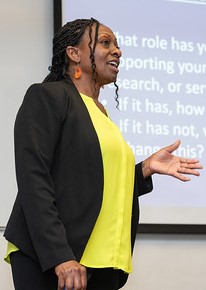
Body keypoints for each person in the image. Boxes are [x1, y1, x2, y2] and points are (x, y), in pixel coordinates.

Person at [4, 18, 202, 290]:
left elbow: (93, 182)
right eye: (105, 42)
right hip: (56, 258)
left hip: (102, 261)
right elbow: (33, 178)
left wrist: (143, 169)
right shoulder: (48, 96)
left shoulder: (102, 113)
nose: (117, 51)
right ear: (74, 54)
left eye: (118, 45)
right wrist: (60, 255)